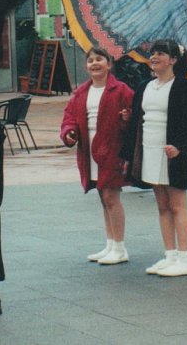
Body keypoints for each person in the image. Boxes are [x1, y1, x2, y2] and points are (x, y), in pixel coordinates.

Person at [121, 39, 187, 277]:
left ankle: (186, 259)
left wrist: (180, 147)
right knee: (162, 206)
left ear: (173, 59)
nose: (154, 57)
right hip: (150, 150)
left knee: (177, 205)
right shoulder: (144, 87)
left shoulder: (183, 87)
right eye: (152, 54)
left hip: (173, 153)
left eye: (161, 54)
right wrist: (127, 152)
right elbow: (137, 121)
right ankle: (170, 255)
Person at [60, 46, 134, 265]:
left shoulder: (121, 90)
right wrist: (69, 132)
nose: (94, 63)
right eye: (90, 60)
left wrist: (126, 118)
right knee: (103, 197)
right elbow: (69, 117)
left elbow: (134, 117)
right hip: (89, 150)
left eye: (99, 59)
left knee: (111, 196)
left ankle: (120, 247)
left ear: (109, 64)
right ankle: (110, 244)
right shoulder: (81, 92)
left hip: (112, 150)